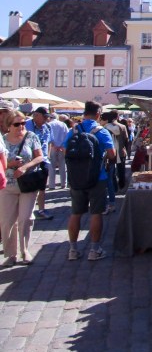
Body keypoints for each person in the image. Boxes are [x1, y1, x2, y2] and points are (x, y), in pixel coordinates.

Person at [64, 101, 115, 261]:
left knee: (75, 213)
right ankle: (94, 250)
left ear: (84, 112)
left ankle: (72, 249)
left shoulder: (73, 130)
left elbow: (66, 150)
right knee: (96, 213)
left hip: (76, 177)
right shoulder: (101, 131)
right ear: (99, 114)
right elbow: (112, 153)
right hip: (97, 177)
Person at [0, 110, 44, 265]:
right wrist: (11, 164)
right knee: (7, 221)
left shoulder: (31, 136)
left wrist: (26, 166)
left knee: (25, 218)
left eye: (24, 123)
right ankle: (10, 255)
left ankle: (25, 250)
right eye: (17, 124)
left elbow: (40, 156)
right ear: (8, 126)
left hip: (28, 183)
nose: (21, 127)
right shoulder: (3, 140)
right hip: (8, 185)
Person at [25, 107, 53, 220]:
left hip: (43, 161)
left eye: (48, 117)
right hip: (29, 162)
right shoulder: (26, 125)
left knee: (42, 187)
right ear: (36, 115)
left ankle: (41, 210)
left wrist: (48, 157)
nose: (47, 119)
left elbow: (49, 142)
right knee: (28, 187)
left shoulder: (47, 127)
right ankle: (27, 211)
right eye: (45, 117)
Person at [47, 113, 69, 190]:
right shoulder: (63, 124)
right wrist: (62, 145)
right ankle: (63, 184)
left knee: (51, 166)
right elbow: (67, 135)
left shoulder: (48, 124)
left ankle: (52, 185)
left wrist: (53, 145)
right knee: (62, 165)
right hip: (62, 147)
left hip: (52, 147)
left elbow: (48, 136)